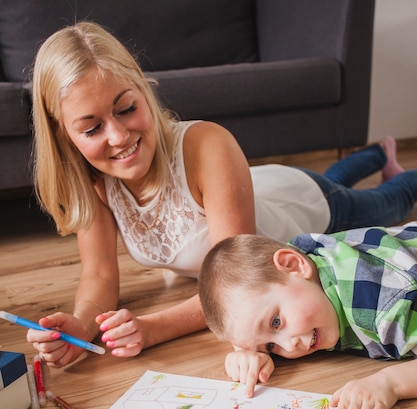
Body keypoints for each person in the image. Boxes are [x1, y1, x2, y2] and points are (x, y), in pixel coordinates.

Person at [27, 21, 417, 369]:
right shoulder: (94, 185)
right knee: (335, 177)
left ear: (143, 90)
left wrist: (152, 328)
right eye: (92, 130)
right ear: (65, 137)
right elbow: (98, 272)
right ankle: (376, 153)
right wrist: (82, 323)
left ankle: (386, 160)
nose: (118, 137)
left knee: (387, 201)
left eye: (127, 108)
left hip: (305, 206)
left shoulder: (207, 144)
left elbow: (236, 289)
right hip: (256, 187)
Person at [198, 224, 417, 409]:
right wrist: (246, 351)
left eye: (276, 322)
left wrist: (391, 383)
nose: (289, 345)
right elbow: (250, 311)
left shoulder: (387, 307)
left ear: (294, 265)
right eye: (271, 346)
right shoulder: (294, 269)